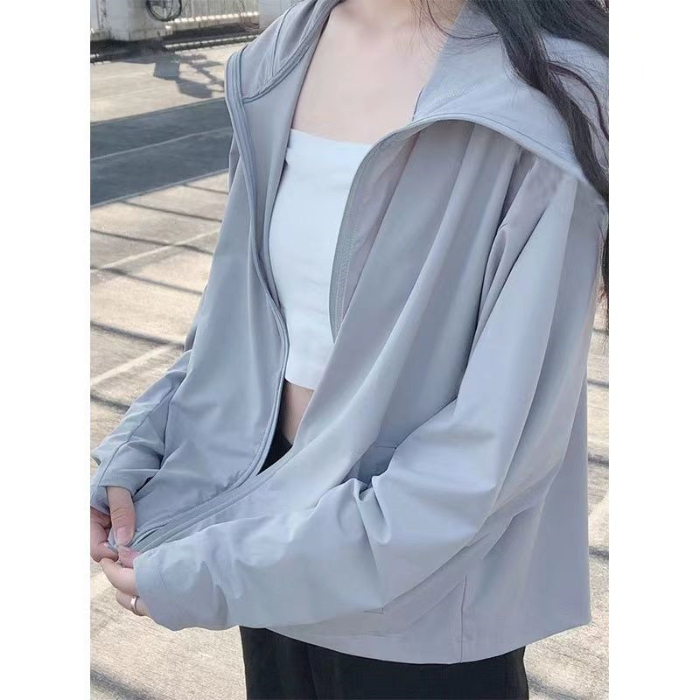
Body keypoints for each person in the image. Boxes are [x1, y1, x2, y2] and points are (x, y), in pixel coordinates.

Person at [90, 0, 609, 698]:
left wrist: (222, 572)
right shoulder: (280, 56)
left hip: (421, 603)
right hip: (267, 535)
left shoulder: (551, 95)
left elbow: (487, 460)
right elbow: (238, 332)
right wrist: (138, 453)